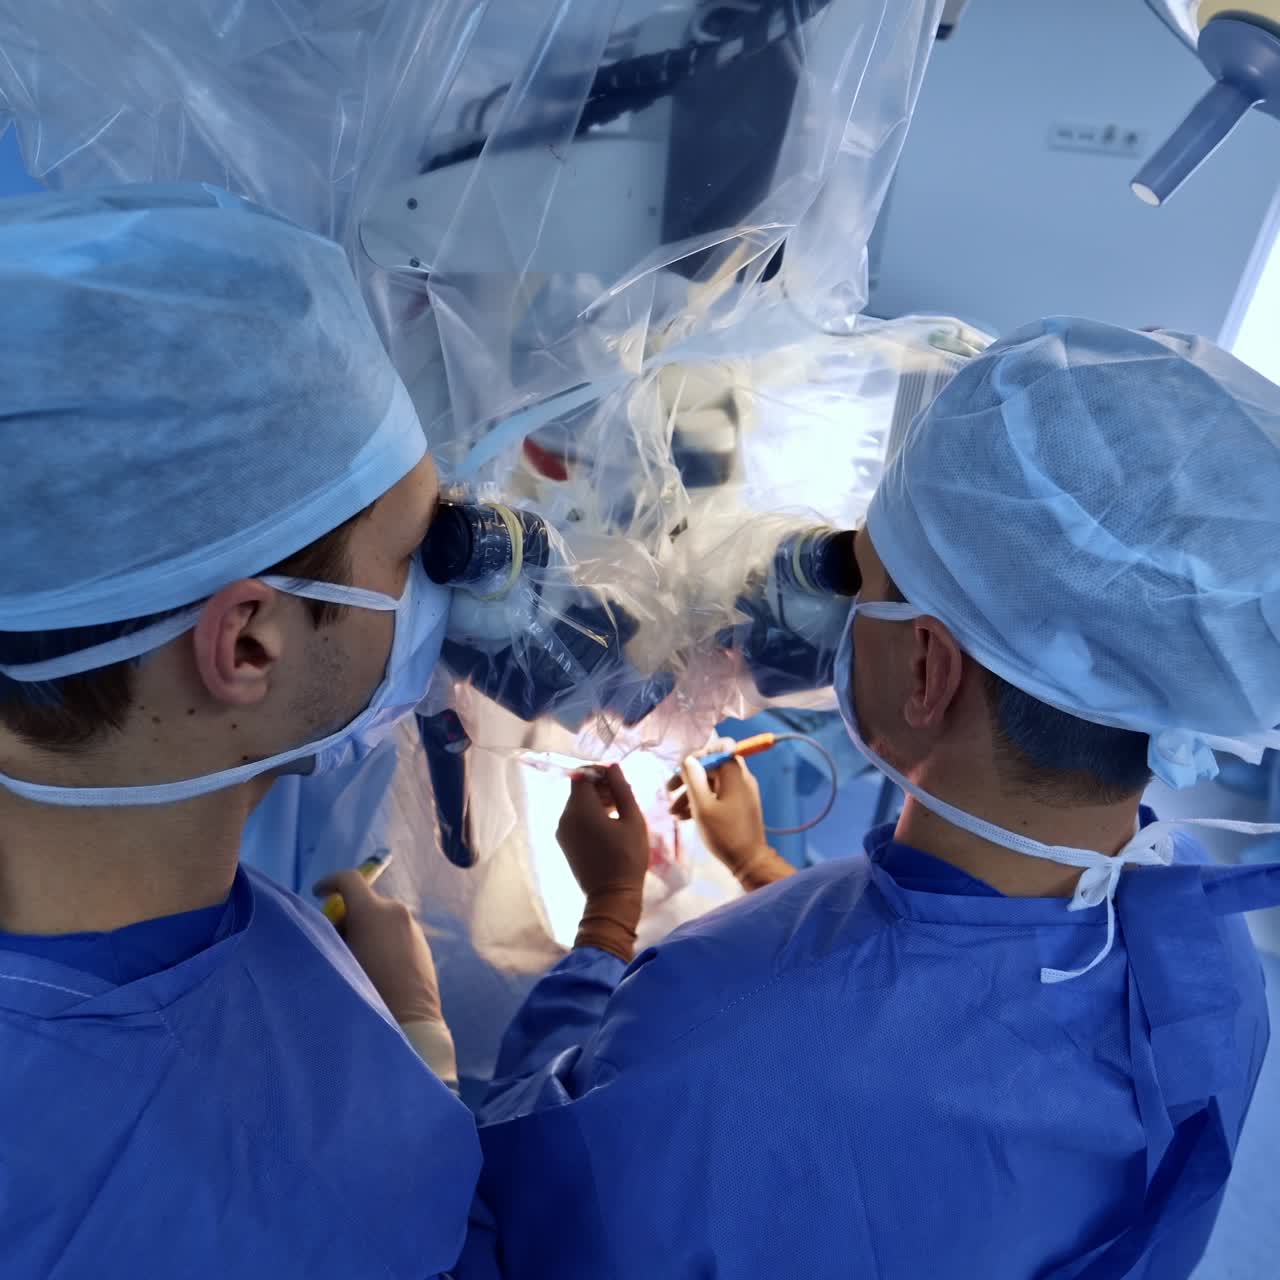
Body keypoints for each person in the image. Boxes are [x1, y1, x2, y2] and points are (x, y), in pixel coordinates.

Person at [474, 317, 1280, 1279]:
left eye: (867, 581)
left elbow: (517, 1200)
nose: (835, 613)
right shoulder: (1200, 947)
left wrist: (606, 922)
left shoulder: (712, 1043)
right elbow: (936, 1023)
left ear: (929, 666)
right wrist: (763, 872)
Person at [0, 184, 495, 1278]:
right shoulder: (160, 1196)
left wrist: (399, 1028)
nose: (444, 598)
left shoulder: (172, 898)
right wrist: (421, 1054)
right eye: (416, 555)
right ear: (248, 643)